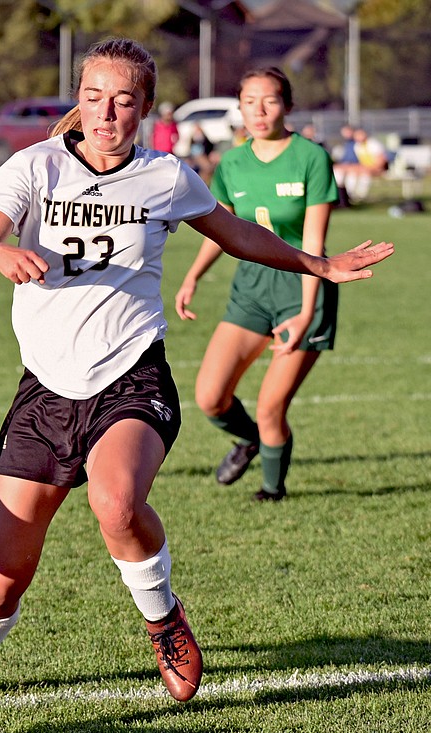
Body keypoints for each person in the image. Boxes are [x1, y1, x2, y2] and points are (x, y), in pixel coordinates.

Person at [0, 38, 392, 703]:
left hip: (132, 376)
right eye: (93, 98)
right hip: (47, 388)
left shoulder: (167, 177)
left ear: (144, 108)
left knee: (115, 501)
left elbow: (237, 233)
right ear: (78, 102)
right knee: (4, 569)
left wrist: (318, 264)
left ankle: (164, 619)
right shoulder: (34, 167)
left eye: (122, 101)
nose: (105, 113)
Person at [176, 68, 338, 502]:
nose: (259, 111)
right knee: (210, 397)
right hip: (251, 288)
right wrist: (192, 276)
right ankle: (248, 441)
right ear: (240, 107)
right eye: (249, 101)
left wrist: (305, 312)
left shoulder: (311, 157)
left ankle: (272, 490)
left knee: (270, 407)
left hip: (303, 286)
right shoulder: (231, 162)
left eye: (269, 100)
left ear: (287, 104)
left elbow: (313, 242)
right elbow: (225, 231)